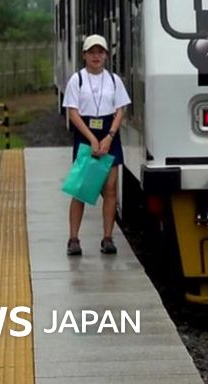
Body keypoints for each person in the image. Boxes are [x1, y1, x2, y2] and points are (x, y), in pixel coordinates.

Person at [62, 34, 131, 256]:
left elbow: (121, 109)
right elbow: (72, 112)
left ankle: (108, 237)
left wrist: (110, 135)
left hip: (109, 134)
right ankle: (73, 238)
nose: (96, 56)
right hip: (86, 133)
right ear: (84, 55)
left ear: (106, 56)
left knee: (110, 189)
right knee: (81, 189)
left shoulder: (114, 80)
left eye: (100, 52)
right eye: (91, 52)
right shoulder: (77, 80)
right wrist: (91, 139)